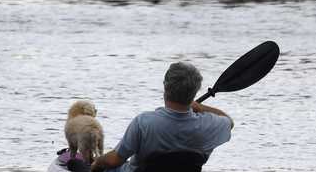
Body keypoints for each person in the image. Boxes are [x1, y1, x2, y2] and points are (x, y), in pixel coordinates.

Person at [90, 62, 233, 172]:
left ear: (165, 87)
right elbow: (229, 122)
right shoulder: (210, 125)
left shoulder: (144, 123)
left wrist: (97, 162)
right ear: (195, 91)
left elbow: (114, 160)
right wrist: (200, 108)